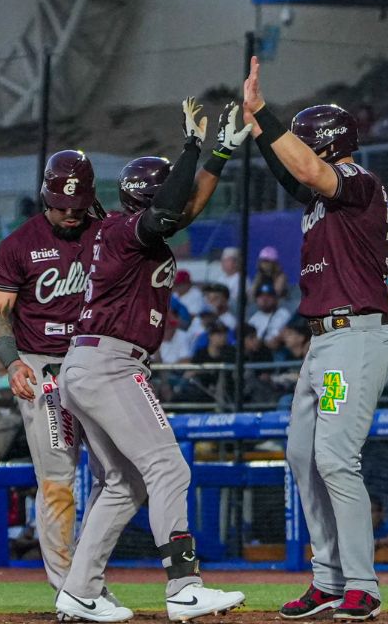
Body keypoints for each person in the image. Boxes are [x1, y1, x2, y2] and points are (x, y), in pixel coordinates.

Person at [56, 101, 246, 623]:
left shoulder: (125, 232)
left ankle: (79, 589)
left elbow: (180, 210)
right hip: (110, 363)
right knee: (168, 467)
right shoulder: (124, 230)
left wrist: (219, 155)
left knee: (124, 483)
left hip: (90, 362)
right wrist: (190, 148)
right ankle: (184, 587)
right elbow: (169, 210)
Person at [246, 56, 388, 621]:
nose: (301, 151)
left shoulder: (358, 182)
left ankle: (363, 584)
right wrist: (259, 128)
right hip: (325, 343)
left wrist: (265, 111)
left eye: (308, 143)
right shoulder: (321, 195)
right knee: (302, 457)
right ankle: (328, 578)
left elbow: (306, 170)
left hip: (354, 337)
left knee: (334, 457)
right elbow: (295, 172)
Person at [0, 149, 105, 596]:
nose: (70, 215)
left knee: (120, 477)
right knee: (58, 478)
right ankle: (70, 587)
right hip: (43, 367)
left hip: (98, 362)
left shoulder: (107, 232)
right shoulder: (19, 244)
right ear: (45, 198)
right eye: (61, 206)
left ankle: (87, 576)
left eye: (77, 207)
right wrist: (11, 361)